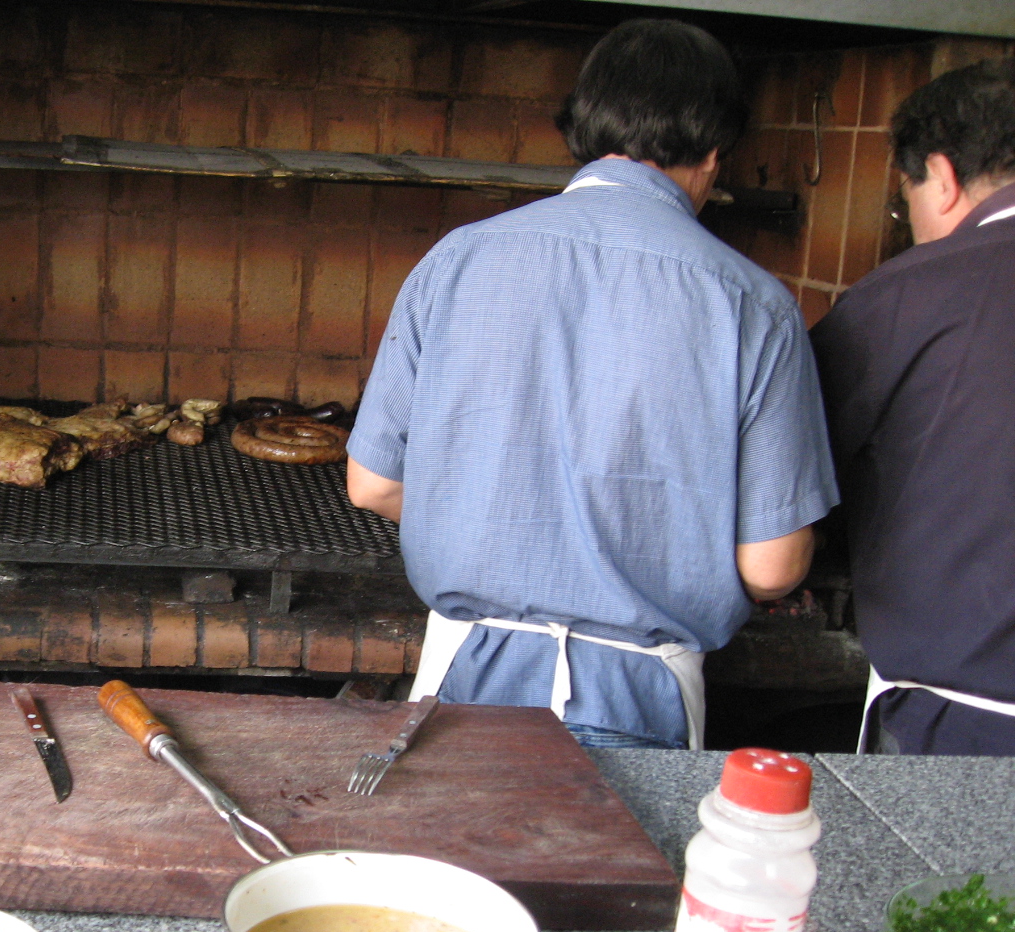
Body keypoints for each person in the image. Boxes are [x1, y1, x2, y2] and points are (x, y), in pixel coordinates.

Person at [345, 19, 838, 750]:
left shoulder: (457, 260)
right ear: (712, 153)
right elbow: (772, 565)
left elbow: (373, 486)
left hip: (460, 683)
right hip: (645, 702)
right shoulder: (755, 303)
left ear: (582, 130)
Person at [810, 60, 1015, 756]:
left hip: (963, 729)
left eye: (908, 202)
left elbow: (796, 470)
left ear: (944, 175)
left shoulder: (906, 295)